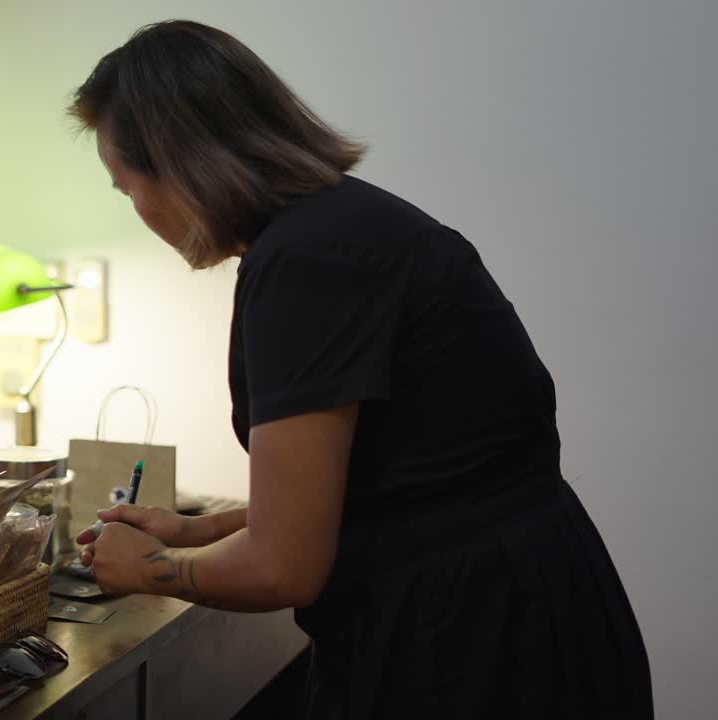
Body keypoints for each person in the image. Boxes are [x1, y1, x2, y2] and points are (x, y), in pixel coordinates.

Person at [72, 20, 652, 719]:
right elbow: (392, 486)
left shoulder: (304, 263)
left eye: (125, 186)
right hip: (527, 600)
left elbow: (284, 566)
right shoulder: (342, 227)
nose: (137, 210)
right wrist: (198, 533)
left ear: (179, 164)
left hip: (469, 640)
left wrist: (148, 571)